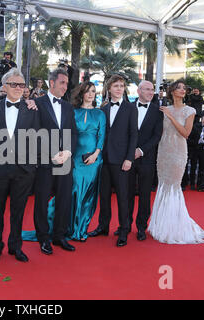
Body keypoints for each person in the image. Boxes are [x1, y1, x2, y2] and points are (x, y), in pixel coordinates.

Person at [23, 81, 105, 242]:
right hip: (72, 157)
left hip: (93, 160)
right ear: (81, 93)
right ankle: (60, 227)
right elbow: (65, 133)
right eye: (87, 91)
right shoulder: (71, 111)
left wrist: (96, 154)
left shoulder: (100, 114)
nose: (90, 94)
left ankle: (80, 229)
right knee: (71, 193)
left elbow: (102, 136)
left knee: (87, 196)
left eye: (93, 91)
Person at [0, 68, 40, 264]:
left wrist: (33, 166)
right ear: (4, 86)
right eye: (14, 84)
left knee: (19, 210)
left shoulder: (32, 109)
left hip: (24, 170)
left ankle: (16, 247)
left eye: (21, 85)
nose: (18, 88)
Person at [148, 80, 204, 244]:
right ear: (172, 91)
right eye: (179, 88)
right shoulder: (163, 108)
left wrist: (170, 117)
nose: (183, 90)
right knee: (163, 185)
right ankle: (160, 226)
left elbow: (186, 133)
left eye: (184, 88)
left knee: (174, 185)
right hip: (163, 151)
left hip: (178, 151)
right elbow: (159, 131)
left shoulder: (189, 110)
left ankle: (174, 227)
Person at [30, 68, 78, 255]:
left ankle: (59, 235)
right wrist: (50, 154)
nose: (65, 87)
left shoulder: (68, 107)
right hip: (45, 161)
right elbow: (33, 133)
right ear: (51, 83)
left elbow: (73, 132)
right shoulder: (37, 103)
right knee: (41, 200)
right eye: (62, 83)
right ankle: (43, 238)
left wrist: (68, 152)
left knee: (64, 199)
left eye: (67, 84)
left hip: (65, 160)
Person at [87, 74, 138, 247]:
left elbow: (133, 134)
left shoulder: (131, 108)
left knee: (123, 197)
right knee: (104, 196)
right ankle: (103, 226)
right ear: (109, 89)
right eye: (116, 86)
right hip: (104, 159)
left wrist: (129, 158)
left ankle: (124, 230)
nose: (119, 89)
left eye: (122, 86)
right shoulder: (104, 108)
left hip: (122, 160)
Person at [125, 81, 163, 241]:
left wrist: (140, 151)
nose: (150, 92)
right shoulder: (126, 108)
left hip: (147, 158)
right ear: (139, 91)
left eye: (152, 90)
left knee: (145, 195)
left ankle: (141, 227)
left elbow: (157, 136)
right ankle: (125, 226)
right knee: (126, 194)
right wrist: (128, 152)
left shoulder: (157, 111)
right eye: (147, 89)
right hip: (127, 158)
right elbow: (122, 133)